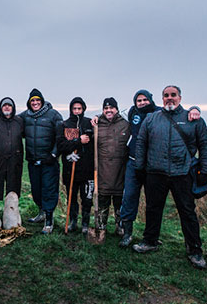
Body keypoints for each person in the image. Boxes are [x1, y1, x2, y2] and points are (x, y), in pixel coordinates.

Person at [133, 85, 207, 269]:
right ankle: (150, 241)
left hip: (182, 173)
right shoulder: (152, 118)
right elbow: (141, 142)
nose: (170, 98)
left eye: (173, 95)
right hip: (155, 171)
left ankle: (194, 250)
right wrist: (140, 166)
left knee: (187, 211)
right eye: (166, 95)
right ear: (162, 99)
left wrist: (206, 169)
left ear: (180, 97)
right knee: (153, 209)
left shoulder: (193, 119)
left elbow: (205, 145)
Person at [118, 90, 201, 247]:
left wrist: (195, 109)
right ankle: (127, 233)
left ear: (152, 100)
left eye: (145, 100)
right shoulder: (132, 112)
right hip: (133, 163)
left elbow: (179, 114)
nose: (142, 103)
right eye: (139, 100)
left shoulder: (158, 113)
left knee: (155, 204)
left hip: (152, 166)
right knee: (129, 197)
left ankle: (156, 237)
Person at [19, 88, 63, 234]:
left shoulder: (53, 115)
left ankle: (49, 220)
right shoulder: (26, 116)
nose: (35, 103)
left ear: (42, 101)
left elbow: (60, 136)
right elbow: (11, 119)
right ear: (29, 102)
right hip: (33, 160)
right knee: (36, 190)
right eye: (33, 101)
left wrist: (54, 154)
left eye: (38, 100)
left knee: (49, 190)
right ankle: (41, 212)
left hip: (49, 161)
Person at [93, 98, 130, 243]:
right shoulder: (97, 125)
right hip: (102, 171)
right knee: (103, 200)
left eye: (112, 108)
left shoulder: (125, 125)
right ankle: (101, 227)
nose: (109, 111)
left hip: (121, 171)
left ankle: (120, 226)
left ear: (117, 109)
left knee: (119, 201)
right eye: (106, 109)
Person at [57, 97, 94, 234]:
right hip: (70, 168)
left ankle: (85, 223)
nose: (77, 111)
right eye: (74, 109)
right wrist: (78, 141)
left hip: (87, 169)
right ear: (70, 109)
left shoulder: (89, 123)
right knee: (72, 196)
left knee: (87, 198)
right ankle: (73, 221)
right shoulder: (65, 124)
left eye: (79, 108)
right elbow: (61, 145)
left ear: (83, 109)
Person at [0, 97, 24, 203]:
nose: (7, 107)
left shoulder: (19, 121)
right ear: (0, 108)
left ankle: (11, 213)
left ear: (13, 107)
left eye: (9, 105)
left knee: (13, 188)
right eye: (4, 105)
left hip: (14, 160)